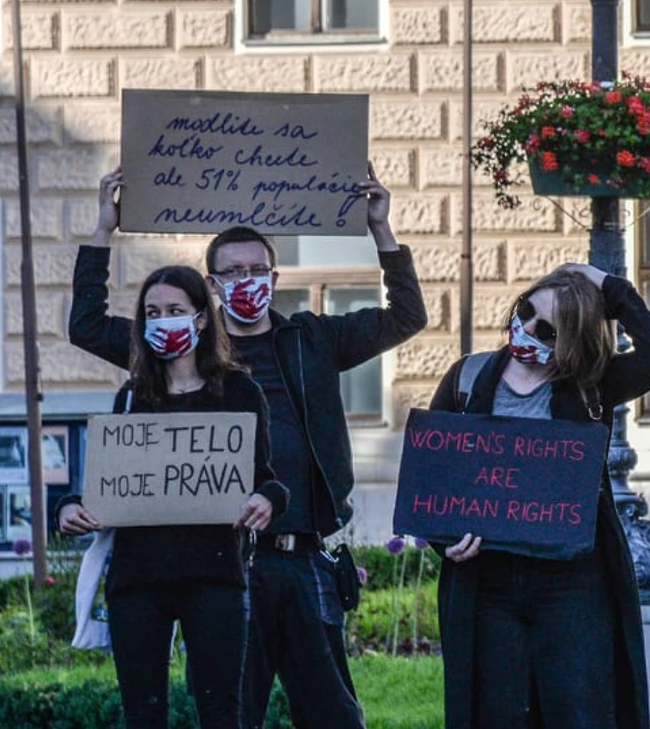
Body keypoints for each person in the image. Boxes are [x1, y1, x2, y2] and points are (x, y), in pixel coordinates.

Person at [70, 171, 422, 729]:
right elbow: (86, 326)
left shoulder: (312, 339)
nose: (247, 281)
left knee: (334, 714)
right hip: (223, 566)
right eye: (233, 272)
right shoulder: (173, 355)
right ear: (211, 285)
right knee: (232, 714)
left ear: (275, 276)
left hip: (302, 554)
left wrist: (381, 229)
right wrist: (102, 231)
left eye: (257, 270)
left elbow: (407, 317)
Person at [427, 265, 650, 729]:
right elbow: (435, 471)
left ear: (572, 340)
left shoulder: (592, 386)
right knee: (494, 712)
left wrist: (608, 288)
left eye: (545, 328)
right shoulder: (468, 376)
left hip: (571, 581)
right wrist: (446, 539)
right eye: (524, 311)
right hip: (488, 581)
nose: (525, 329)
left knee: (577, 709)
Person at [57, 266, 290, 729]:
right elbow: (109, 482)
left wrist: (269, 500)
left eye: (175, 311)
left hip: (214, 575)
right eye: (152, 313)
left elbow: (266, 478)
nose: (163, 321)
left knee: (222, 711)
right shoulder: (130, 397)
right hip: (138, 580)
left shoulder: (239, 391)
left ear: (202, 319)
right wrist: (68, 506)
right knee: (143, 715)